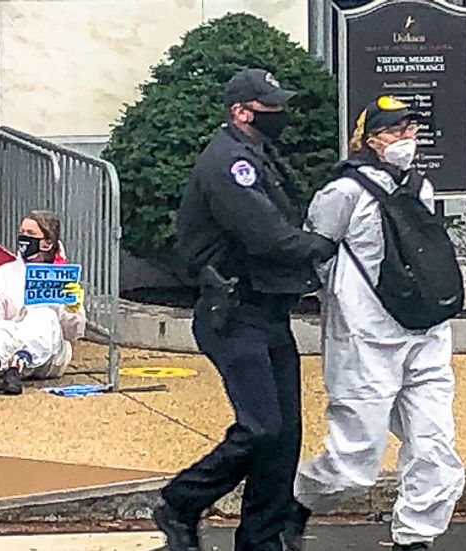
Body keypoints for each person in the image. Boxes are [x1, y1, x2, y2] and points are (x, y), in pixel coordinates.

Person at [154, 69, 338, 551]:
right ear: (242, 111)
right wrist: (321, 245)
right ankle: (181, 501)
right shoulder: (229, 163)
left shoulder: (258, 153)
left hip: (265, 310)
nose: (280, 114)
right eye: (270, 106)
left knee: (284, 436)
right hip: (233, 313)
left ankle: (262, 538)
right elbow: (264, 233)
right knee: (260, 428)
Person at [283, 96, 466, 551]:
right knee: (355, 462)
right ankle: (296, 505)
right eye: (394, 131)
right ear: (367, 139)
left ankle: (415, 540)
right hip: (365, 340)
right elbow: (316, 254)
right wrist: (344, 302)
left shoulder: (419, 187)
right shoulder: (343, 192)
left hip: (424, 334)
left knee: (435, 446)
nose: (406, 139)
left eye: (410, 130)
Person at [0, 211, 86, 395]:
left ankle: (18, 365)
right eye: (22, 232)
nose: (23, 238)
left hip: (47, 356)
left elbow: (72, 334)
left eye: (30, 234)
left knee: (44, 316)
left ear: (47, 243)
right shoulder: (6, 273)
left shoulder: (63, 278)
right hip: (9, 342)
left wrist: (73, 309)